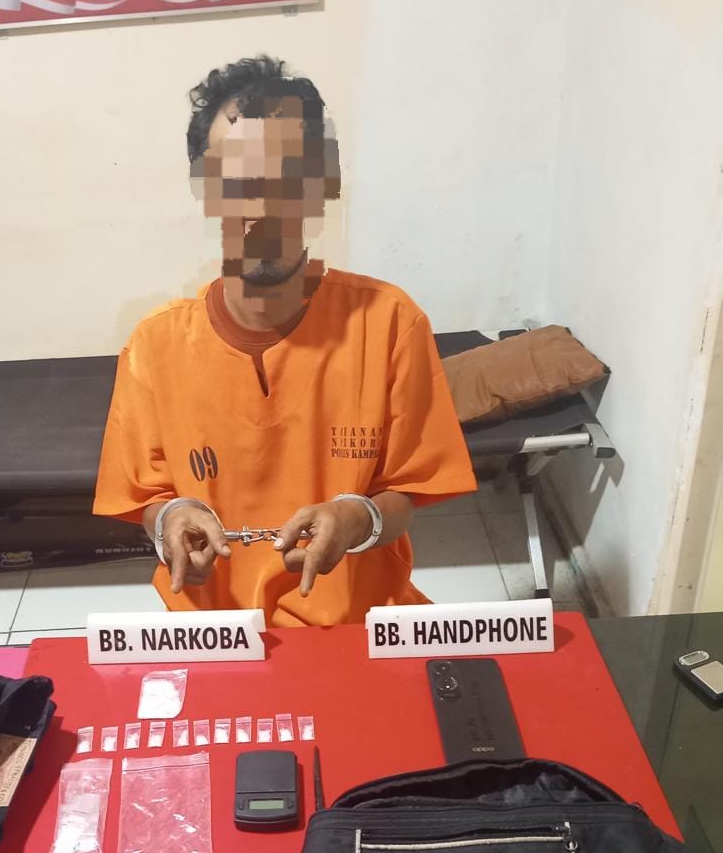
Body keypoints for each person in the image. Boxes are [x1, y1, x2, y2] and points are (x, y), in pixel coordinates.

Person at [93, 55, 476, 626]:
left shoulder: (390, 322)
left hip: (356, 625)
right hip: (217, 631)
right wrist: (170, 518)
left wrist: (355, 518)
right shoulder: (155, 346)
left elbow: (407, 489)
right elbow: (148, 497)